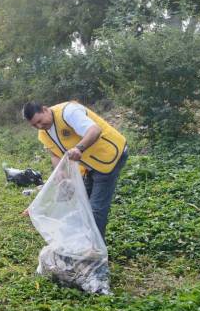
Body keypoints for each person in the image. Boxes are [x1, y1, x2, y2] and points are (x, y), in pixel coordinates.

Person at [22, 100, 127, 240]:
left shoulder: (68, 112)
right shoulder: (43, 134)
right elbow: (54, 154)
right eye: (34, 125)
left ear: (45, 109)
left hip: (110, 155)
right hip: (90, 165)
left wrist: (79, 148)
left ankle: (94, 252)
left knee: (96, 208)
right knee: (82, 204)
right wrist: (59, 171)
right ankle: (85, 241)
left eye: (40, 121)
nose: (40, 126)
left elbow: (94, 130)